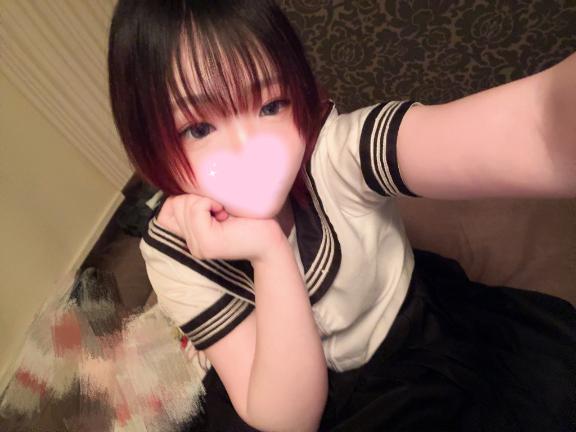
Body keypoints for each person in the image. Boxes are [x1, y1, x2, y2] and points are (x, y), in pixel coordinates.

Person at [107, 1, 576, 431]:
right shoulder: (171, 249)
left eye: (271, 105)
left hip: (413, 346)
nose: (249, 151)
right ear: (147, 139)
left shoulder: (336, 153)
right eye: (198, 128)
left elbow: (538, 128)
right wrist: (269, 254)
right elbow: (289, 420)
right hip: (289, 389)